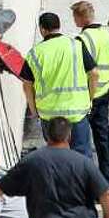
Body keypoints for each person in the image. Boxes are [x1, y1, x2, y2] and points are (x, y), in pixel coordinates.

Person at [19, 12, 98, 159]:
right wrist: (90, 98)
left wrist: (33, 110)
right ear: (59, 26)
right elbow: (94, 73)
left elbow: (27, 84)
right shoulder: (76, 46)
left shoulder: (35, 53)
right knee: (82, 157)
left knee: (56, 158)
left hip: (49, 115)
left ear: (42, 29)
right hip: (77, 112)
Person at [71, 1, 109, 189]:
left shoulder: (82, 39)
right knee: (103, 139)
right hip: (105, 90)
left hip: (88, 95)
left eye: (75, 16)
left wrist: (87, 95)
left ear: (81, 17)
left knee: (82, 143)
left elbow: (84, 69)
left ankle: (88, 185)